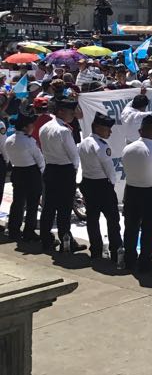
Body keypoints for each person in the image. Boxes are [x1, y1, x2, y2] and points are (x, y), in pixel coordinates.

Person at [38, 98, 86, 253]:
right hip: (64, 170)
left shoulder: (45, 127)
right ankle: (67, 240)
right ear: (60, 112)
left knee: (49, 207)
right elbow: (73, 156)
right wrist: (73, 171)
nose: (72, 115)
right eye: (70, 112)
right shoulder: (64, 130)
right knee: (64, 209)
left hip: (50, 168)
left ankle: (46, 240)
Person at [77, 114, 122, 263]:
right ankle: (116, 251)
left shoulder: (83, 143)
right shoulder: (101, 146)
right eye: (107, 129)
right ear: (97, 128)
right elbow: (109, 169)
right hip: (102, 185)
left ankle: (95, 250)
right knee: (113, 220)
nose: (109, 132)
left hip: (88, 183)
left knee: (92, 219)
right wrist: (111, 184)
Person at [121, 114, 152, 272]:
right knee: (148, 229)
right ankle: (145, 261)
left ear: (140, 130)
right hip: (149, 193)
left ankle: (129, 258)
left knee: (130, 227)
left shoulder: (127, 148)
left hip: (131, 190)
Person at [3, 113, 44, 242]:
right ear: (26, 127)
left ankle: (13, 229)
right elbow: (40, 160)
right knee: (32, 204)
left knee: (17, 202)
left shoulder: (9, 140)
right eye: (32, 125)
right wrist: (43, 173)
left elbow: (8, 158)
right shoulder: (29, 141)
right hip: (31, 173)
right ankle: (29, 231)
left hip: (17, 171)